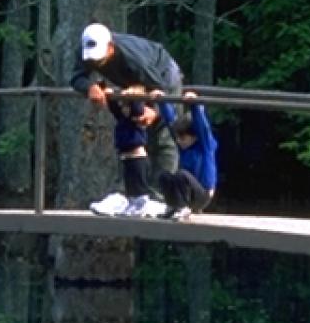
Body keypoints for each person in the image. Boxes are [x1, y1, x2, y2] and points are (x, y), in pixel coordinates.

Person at [72, 23, 184, 218]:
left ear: (110, 48)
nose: (94, 63)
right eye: (91, 59)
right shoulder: (85, 50)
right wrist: (89, 87)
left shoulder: (133, 58)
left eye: (99, 58)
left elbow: (159, 84)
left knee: (163, 135)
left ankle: (160, 198)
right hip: (133, 84)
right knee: (130, 136)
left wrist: (155, 111)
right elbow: (76, 78)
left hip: (162, 74)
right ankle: (129, 194)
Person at [87, 89, 177, 218]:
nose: (125, 110)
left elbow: (137, 107)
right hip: (126, 158)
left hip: (137, 159)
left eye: (127, 107)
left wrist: (134, 96)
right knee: (130, 186)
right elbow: (115, 109)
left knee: (139, 186)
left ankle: (143, 205)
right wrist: (110, 94)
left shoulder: (137, 119)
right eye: (124, 107)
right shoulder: (122, 119)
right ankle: (132, 204)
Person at [157, 93, 217, 222]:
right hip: (187, 192)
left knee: (182, 175)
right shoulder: (183, 146)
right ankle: (172, 206)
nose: (178, 141)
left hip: (203, 194)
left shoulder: (205, 146)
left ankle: (182, 207)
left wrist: (194, 105)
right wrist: (162, 101)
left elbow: (202, 127)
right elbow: (170, 121)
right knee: (164, 176)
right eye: (178, 138)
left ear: (194, 137)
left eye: (182, 138)